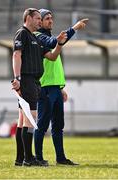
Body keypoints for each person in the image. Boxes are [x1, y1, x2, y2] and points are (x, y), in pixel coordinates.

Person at [12, 8, 67, 167]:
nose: (39, 21)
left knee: (23, 120)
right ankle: (29, 159)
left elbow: (51, 56)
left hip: (35, 81)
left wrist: (60, 43)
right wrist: (17, 78)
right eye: (37, 18)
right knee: (31, 118)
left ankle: (20, 158)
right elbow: (16, 55)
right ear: (28, 18)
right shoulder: (22, 33)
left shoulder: (34, 37)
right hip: (27, 79)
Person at [34, 9, 88, 166]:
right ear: (39, 22)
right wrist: (75, 28)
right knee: (42, 125)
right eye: (47, 18)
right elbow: (56, 43)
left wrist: (60, 87)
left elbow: (55, 59)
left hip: (55, 88)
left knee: (58, 126)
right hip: (45, 88)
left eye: (51, 18)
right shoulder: (38, 37)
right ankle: (38, 157)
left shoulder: (49, 38)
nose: (51, 21)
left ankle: (61, 158)